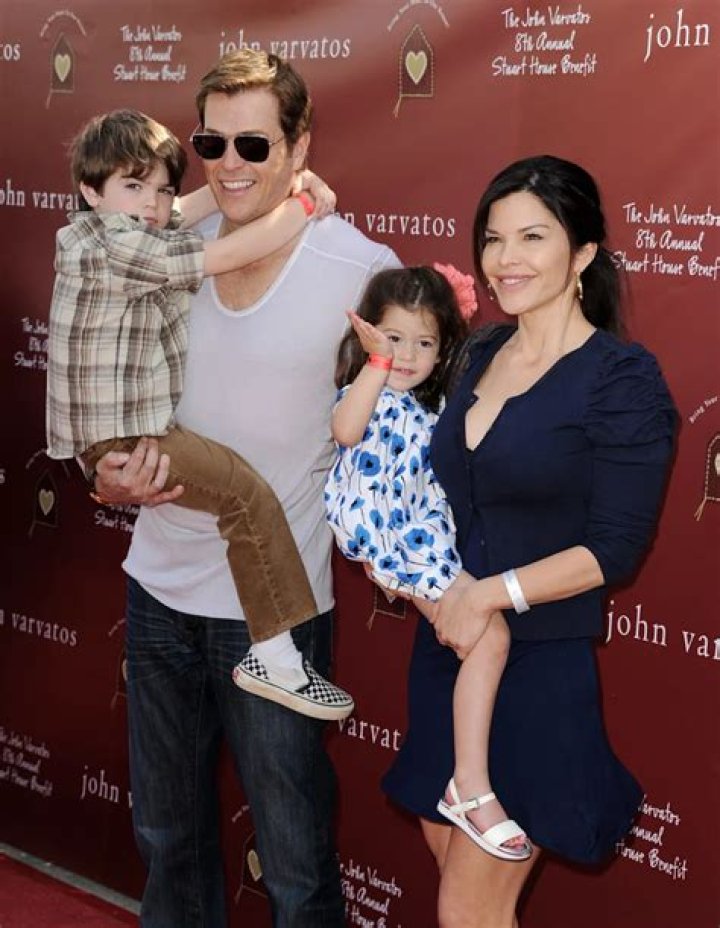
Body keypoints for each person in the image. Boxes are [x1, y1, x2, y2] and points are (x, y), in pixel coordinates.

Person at [92, 51, 399, 927]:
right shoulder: (162, 248)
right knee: (169, 843)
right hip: (157, 595)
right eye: (212, 143)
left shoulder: (360, 270)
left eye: (255, 144)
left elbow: (403, 431)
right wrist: (104, 473)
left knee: (296, 864)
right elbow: (99, 381)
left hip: (276, 617)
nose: (229, 163)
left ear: (300, 145)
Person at [382, 155, 677, 927]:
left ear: (583, 254)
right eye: (493, 238)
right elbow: (427, 488)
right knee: (472, 904)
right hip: (449, 655)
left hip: (537, 667)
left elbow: (613, 549)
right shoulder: (477, 353)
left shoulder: (621, 379)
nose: (505, 259)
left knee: (467, 914)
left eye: (532, 237)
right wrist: (402, 564)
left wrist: (490, 593)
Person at [46, 108, 354, 722]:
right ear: (89, 190)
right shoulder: (119, 245)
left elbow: (184, 210)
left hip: (119, 434)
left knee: (241, 494)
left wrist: (289, 180)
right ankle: (277, 656)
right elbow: (230, 252)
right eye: (134, 185)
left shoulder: (103, 230)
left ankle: (272, 650)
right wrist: (302, 205)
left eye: (162, 188)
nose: (153, 203)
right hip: (125, 438)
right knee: (246, 495)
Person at [325, 264, 530, 860]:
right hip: (396, 539)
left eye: (424, 342)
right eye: (394, 337)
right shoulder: (370, 392)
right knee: (491, 640)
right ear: (369, 335)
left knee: (486, 641)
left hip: (425, 541)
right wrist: (376, 363)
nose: (407, 355)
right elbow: (345, 431)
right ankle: (469, 785)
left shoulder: (429, 408)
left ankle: (468, 782)